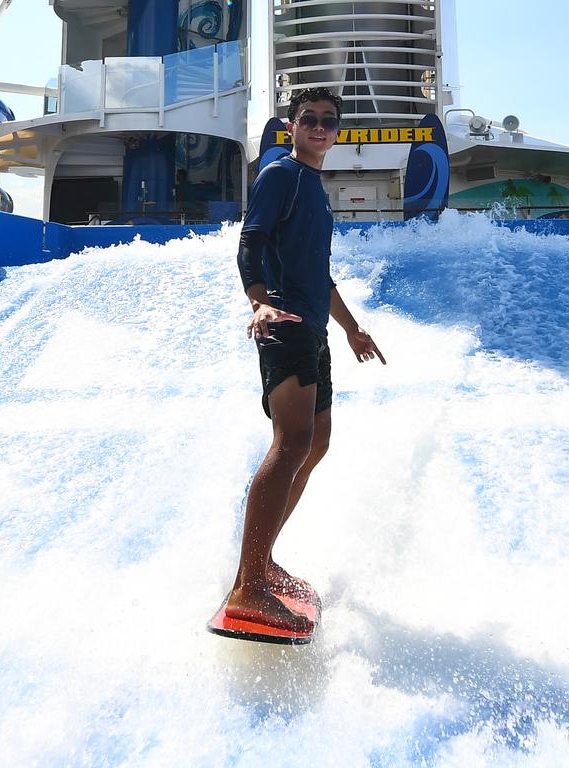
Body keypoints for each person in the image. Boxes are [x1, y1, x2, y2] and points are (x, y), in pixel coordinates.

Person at [224, 88, 386, 632]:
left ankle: (262, 560)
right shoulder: (281, 175)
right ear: (291, 126)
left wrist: (350, 329)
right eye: (309, 120)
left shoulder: (313, 189)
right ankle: (249, 585)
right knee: (290, 442)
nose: (320, 127)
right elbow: (251, 242)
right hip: (284, 324)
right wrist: (259, 300)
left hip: (312, 329)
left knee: (316, 443)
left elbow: (320, 274)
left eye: (328, 122)